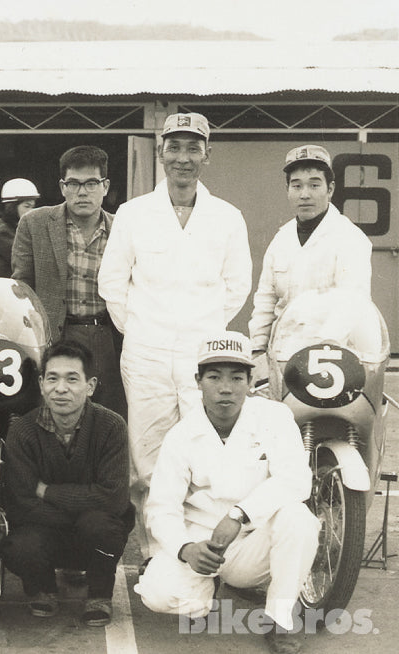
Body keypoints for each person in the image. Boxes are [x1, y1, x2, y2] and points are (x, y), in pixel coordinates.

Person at [98, 112, 252, 561]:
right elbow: (113, 283)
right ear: (160, 151)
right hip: (145, 350)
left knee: (203, 451)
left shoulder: (227, 217)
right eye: (174, 147)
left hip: (202, 354)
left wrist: (199, 333)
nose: (183, 158)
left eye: (193, 148)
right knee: (146, 458)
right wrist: (146, 328)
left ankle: (207, 549)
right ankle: (158, 553)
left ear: (207, 153)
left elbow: (237, 285)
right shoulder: (133, 213)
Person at [135, 331, 318, 654]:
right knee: (157, 594)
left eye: (236, 378)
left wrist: (239, 514)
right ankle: (208, 589)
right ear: (198, 381)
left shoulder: (274, 416)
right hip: (203, 544)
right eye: (214, 377)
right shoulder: (182, 435)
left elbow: (296, 480)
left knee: (299, 519)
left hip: (254, 540)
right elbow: (161, 507)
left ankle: (282, 616)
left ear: (250, 381)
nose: (225, 388)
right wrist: (185, 548)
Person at [0, 340, 133, 625]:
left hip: (93, 533)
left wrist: (46, 491)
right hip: (47, 534)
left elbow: (116, 498)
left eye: (72, 379)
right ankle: (42, 589)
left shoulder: (111, 426)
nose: (61, 388)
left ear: (91, 385)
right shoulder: (22, 430)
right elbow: (21, 502)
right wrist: (82, 506)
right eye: (53, 378)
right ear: (41, 383)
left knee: (101, 526)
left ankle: (99, 594)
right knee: (19, 545)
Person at [12, 145, 126, 418]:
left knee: (108, 418)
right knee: (53, 418)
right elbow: (21, 290)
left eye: (91, 183)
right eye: (73, 183)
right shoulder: (34, 223)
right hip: (56, 337)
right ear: (63, 187)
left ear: (105, 186)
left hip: (108, 339)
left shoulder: (123, 227)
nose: (82, 191)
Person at [248, 145, 372, 359]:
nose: (305, 194)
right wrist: (258, 349)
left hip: (334, 357)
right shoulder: (281, 239)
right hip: (282, 355)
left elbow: (352, 305)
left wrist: (321, 352)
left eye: (314, 185)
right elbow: (265, 300)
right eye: (297, 186)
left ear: (330, 189)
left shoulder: (350, 238)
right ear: (287, 190)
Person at [0, 178, 39, 277]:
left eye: (33, 207)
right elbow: (28, 258)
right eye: (27, 206)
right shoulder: (2, 231)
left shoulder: (15, 228)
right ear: (12, 207)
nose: (31, 211)